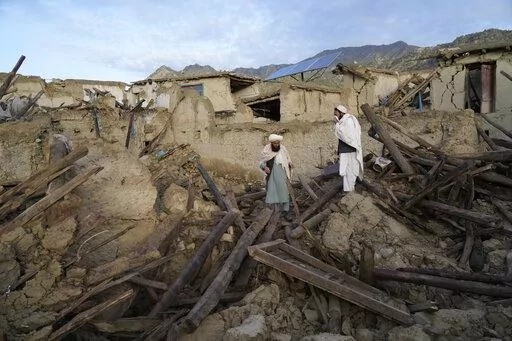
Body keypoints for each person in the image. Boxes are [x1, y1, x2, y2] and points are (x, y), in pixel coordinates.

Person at [259, 134, 293, 216]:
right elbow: (261, 163)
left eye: (278, 143)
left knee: (284, 190)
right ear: (271, 143)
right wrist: (264, 167)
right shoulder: (266, 150)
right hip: (271, 174)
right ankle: (273, 211)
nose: (277, 145)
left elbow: (287, 159)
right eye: (275, 143)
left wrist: (290, 163)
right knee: (272, 191)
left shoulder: (283, 149)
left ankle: (286, 211)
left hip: (282, 172)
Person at [333, 105, 363, 192]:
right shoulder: (342, 121)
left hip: (350, 150)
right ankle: (348, 190)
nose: (335, 115)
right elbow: (339, 132)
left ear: (342, 113)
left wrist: (337, 124)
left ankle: (350, 189)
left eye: (337, 113)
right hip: (345, 150)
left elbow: (347, 136)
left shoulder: (349, 120)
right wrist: (337, 123)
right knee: (346, 171)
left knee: (351, 169)